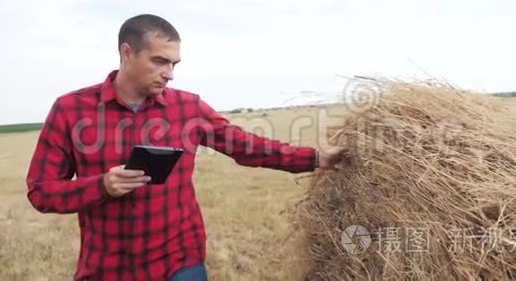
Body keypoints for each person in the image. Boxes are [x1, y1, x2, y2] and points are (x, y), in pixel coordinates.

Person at [25, 14, 345, 281]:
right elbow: (41, 192)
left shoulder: (188, 107)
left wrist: (316, 157)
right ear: (126, 53)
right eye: (160, 61)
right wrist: (102, 186)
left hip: (181, 262)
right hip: (109, 268)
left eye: (174, 63)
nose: (170, 74)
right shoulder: (71, 110)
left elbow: (248, 146)